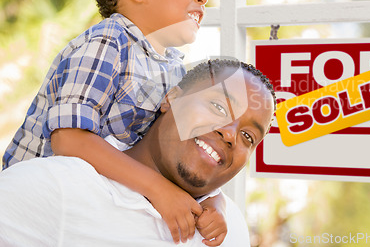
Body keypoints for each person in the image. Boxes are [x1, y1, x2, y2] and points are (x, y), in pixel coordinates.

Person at [0, 0, 226, 244]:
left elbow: (176, 149)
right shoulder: (108, 42)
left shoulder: (174, 68)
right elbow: (70, 139)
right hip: (38, 210)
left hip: (96, 205)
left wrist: (214, 202)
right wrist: (158, 189)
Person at [0, 59, 276, 247]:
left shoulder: (232, 228)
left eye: (248, 136)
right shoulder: (55, 189)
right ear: (172, 99)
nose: (230, 134)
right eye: (218, 107)